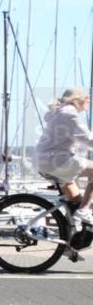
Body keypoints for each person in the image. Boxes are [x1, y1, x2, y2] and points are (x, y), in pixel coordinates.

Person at [34, 86, 93, 225]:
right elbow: (86, 138)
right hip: (55, 161)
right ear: (77, 99)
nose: (89, 102)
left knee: (76, 201)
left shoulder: (60, 113)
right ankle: (84, 212)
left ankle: (72, 239)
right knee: (82, 208)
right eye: (87, 99)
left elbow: (75, 142)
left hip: (47, 161)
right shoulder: (69, 113)